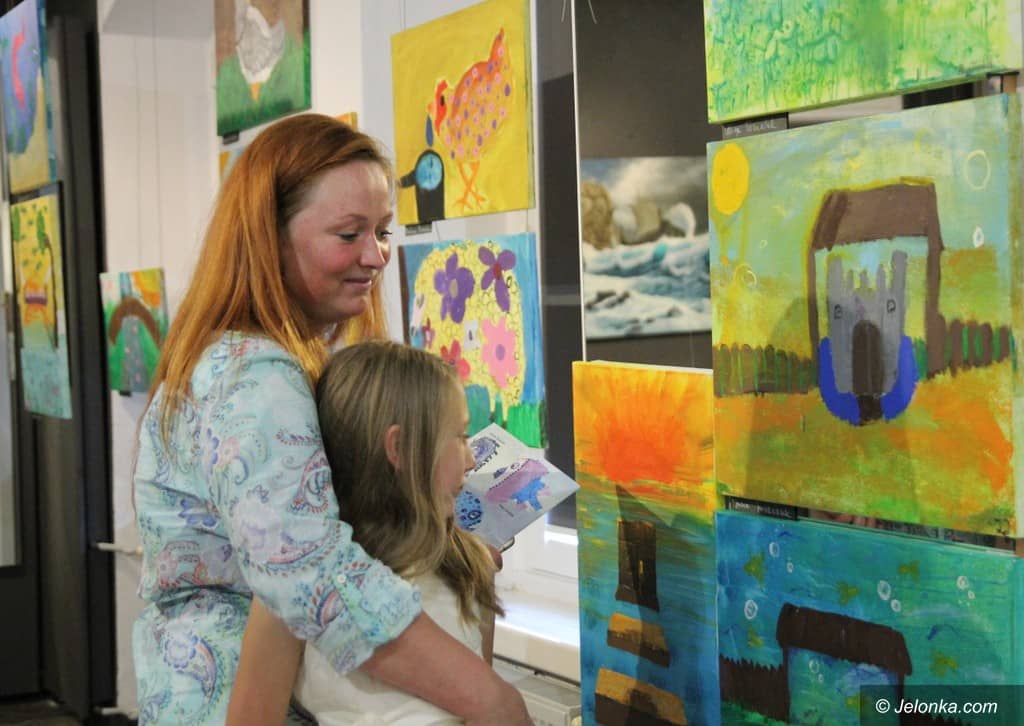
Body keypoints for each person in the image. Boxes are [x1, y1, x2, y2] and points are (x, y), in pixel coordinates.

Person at [132, 113, 529, 725]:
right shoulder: (255, 378)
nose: (375, 256)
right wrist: (491, 698)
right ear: (269, 238)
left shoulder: (256, 362)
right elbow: (306, 576)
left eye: (383, 231)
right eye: (349, 234)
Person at [233, 340, 510, 724]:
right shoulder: (297, 587)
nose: (472, 458)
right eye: (460, 437)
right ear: (399, 447)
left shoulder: (468, 566)